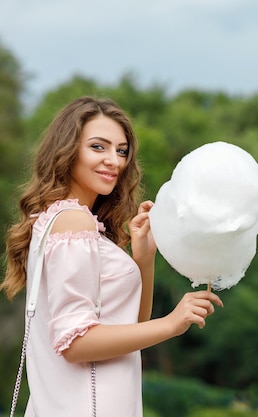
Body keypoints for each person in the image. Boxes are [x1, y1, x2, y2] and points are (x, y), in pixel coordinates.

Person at [1, 96, 224, 417]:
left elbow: (130, 328)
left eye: (121, 151)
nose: (114, 161)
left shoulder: (58, 221)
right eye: (98, 147)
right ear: (67, 150)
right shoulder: (72, 223)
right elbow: (75, 344)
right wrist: (173, 322)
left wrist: (143, 259)